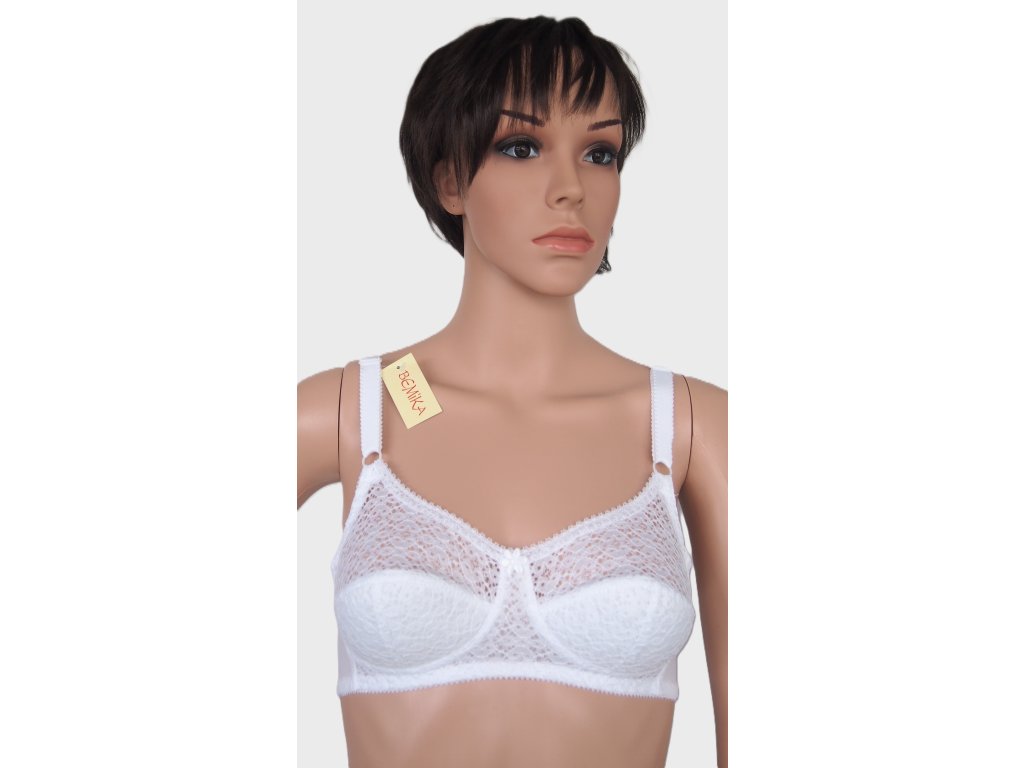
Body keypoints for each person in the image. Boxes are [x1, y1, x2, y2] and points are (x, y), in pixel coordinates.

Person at [298, 15, 727, 768]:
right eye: (522, 147)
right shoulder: (348, 410)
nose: (572, 189)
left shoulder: (691, 424)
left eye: (600, 153)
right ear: (449, 180)